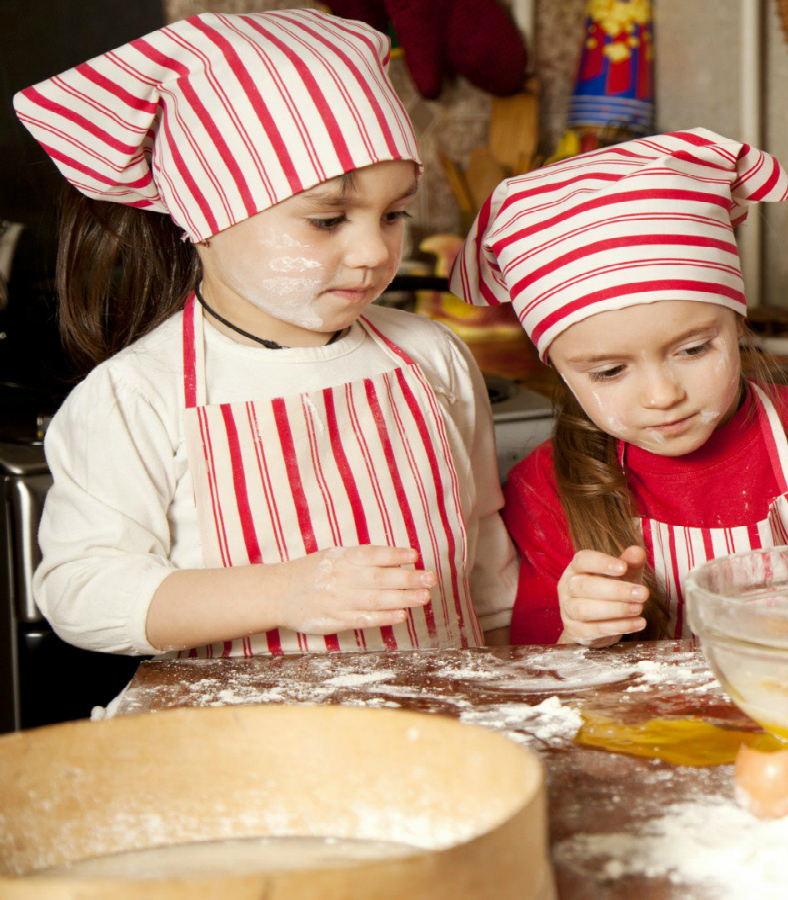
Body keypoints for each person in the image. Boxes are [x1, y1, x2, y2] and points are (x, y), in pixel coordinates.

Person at [18, 9, 517, 657]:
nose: (373, 250)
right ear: (207, 215)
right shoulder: (137, 394)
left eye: (393, 214)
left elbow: (486, 557)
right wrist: (283, 593)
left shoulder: (432, 355)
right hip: (248, 746)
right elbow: (81, 591)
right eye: (328, 219)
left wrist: (509, 686)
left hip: (443, 729)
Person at [452, 129, 788, 646]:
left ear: (737, 325)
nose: (662, 395)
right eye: (609, 372)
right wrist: (580, 633)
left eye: (692, 350)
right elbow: (537, 674)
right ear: (561, 372)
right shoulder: (548, 490)